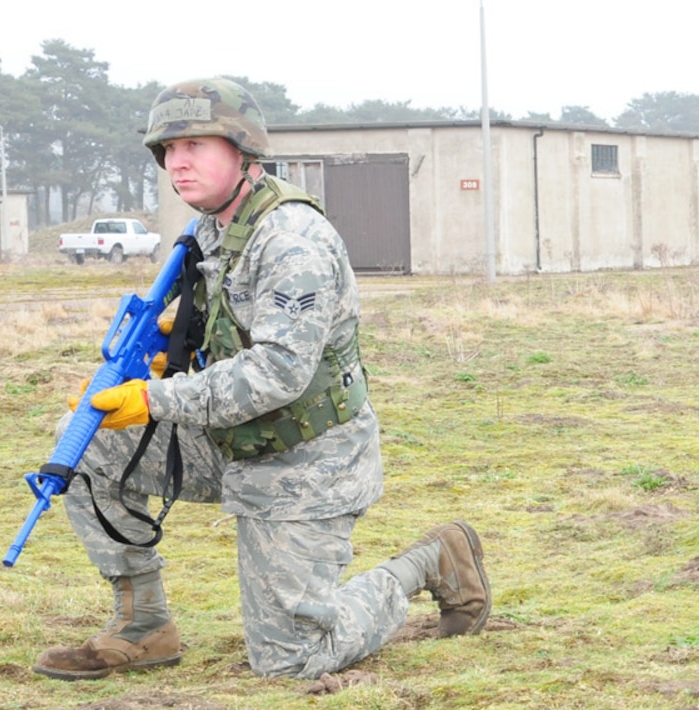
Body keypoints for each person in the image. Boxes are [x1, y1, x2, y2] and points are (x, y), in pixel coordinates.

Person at [32, 77, 491, 681]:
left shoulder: (290, 239)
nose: (178, 162)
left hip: (308, 457)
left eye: (195, 145)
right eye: (168, 149)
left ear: (244, 151)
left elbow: (278, 372)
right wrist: (162, 356)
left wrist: (152, 398)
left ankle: (429, 562)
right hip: (235, 440)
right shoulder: (213, 229)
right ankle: (143, 625)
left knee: (292, 660)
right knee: (82, 439)